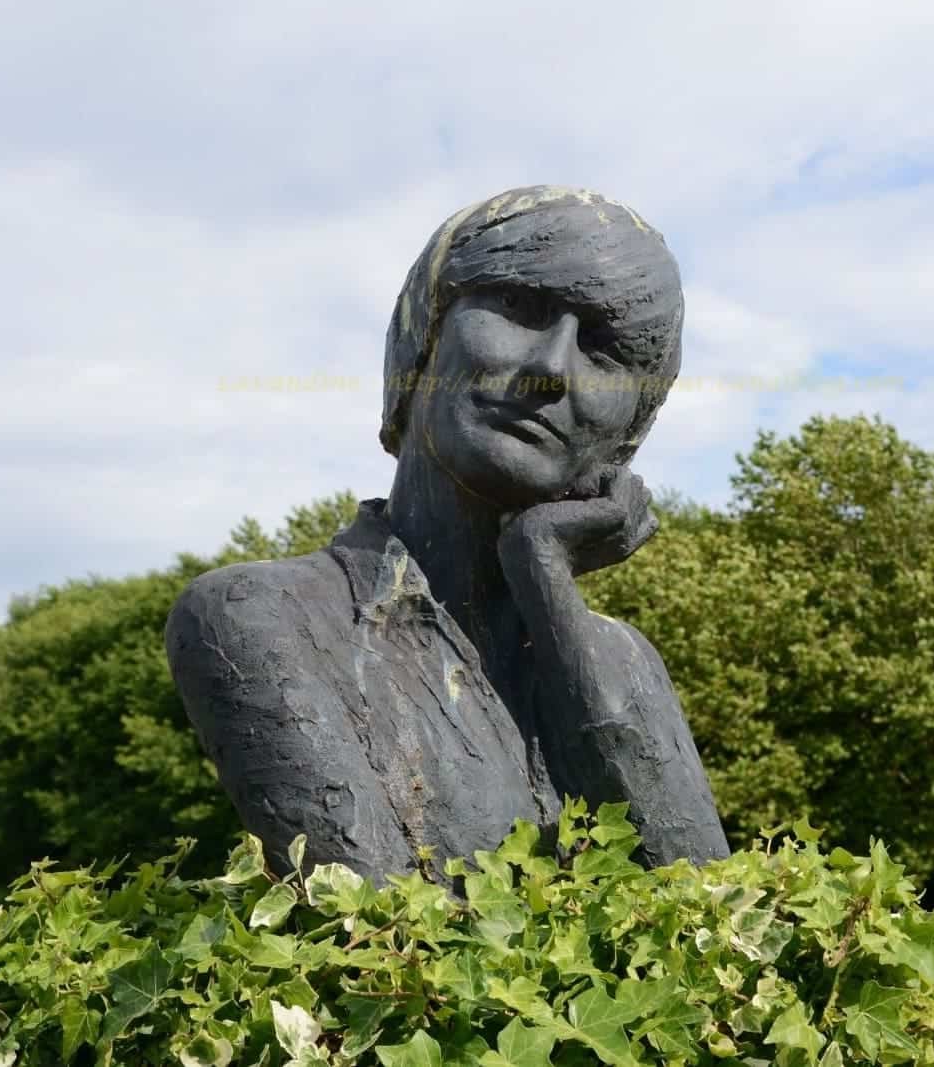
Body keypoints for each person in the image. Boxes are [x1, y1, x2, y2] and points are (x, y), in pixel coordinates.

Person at [166, 186, 728, 882]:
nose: (552, 368)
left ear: (627, 434)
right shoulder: (257, 614)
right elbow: (381, 942)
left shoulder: (623, 663)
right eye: (519, 308)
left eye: (606, 350)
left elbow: (709, 921)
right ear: (423, 335)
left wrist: (546, 582)